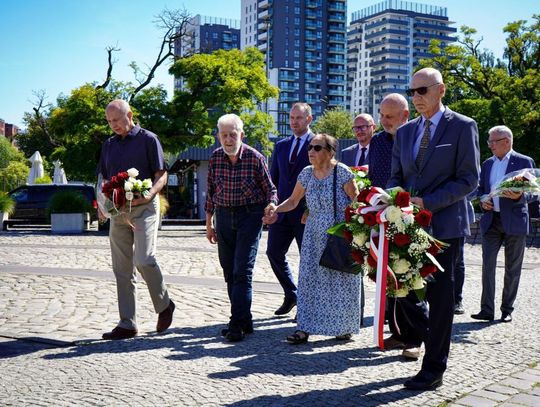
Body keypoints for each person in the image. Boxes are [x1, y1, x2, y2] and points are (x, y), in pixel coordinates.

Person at [387, 67, 480, 390]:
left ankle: (433, 368)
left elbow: (470, 179)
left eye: (422, 91)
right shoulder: (406, 132)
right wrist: (394, 200)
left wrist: (428, 202)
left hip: (445, 225)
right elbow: (396, 176)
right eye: (412, 92)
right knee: (402, 291)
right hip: (408, 226)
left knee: (440, 297)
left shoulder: (463, 127)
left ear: (440, 90)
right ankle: (435, 339)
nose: (416, 98)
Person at [264, 134, 361, 344]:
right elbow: (293, 200)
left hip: (336, 234)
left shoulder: (342, 172)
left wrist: (354, 230)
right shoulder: (306, 173)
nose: (311, 151)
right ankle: (304, 328)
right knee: (309, 281)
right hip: (313, 234)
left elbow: (357, 202)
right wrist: (275, 211)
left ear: (331, 151)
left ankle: (343, 327)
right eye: (310, 147)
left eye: (317, 148)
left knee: (340, 280)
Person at [98, 99, 175, 340]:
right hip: (117, 210)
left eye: (117, 120)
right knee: (121, 268)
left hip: (144, 208)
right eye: (109, 122)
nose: (113, 126)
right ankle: (127, 323)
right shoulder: (108, 145)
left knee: (144, 259)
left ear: (129, 115)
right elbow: (103, 178)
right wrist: (101, 204)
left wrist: (151, 193)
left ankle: (164, 305)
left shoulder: (149, 139)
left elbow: (161, 174)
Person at [205, 114, 277, 342]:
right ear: (219, 136)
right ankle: (245, 319)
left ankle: (236, 324)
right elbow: (211, 192)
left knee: (242, 271)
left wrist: (272, 205)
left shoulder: (255, 157)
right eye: (224, 135)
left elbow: (270, 189)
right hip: (224, 216)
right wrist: (209, 224)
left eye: (232, 135)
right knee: (229, 272)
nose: (228, 139)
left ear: (241, 135)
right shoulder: (215, 158)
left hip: (250, 216)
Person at [366, 93, 427, 361]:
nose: (383, 121)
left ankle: (416, 338)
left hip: (414, 216)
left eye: (388, 116)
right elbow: (376, 177)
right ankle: (398, 332)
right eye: (380, 115)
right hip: (384, 216)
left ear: (406, 115)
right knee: (388, 278)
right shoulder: (378, 141)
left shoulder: (418, 137)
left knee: (411, 279)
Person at [471, 125, 537, 323]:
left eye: (493, 141)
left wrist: (520, 194)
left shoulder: (524, 162)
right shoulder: (488, 163)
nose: (490, 145)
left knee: (512, 267)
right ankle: (486, 310)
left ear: (506, 142)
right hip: (492, 220)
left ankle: (507, 309)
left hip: (515, 220)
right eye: (489, 141)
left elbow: (534, 193)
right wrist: (483, 199)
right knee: (487, 266)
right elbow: (481, 189)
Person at [266, 103, 314, 316]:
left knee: (308, 261)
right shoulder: (281, 146)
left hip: (306, 214)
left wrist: (311, 208)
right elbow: (273, 180)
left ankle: (305, 304)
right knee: (273, 252)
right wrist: (272, 205)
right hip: (282, 211)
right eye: (292, 118)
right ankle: (291, 293)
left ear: (309, 119)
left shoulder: (318, 144)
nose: (294, 122)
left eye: (299, 118)